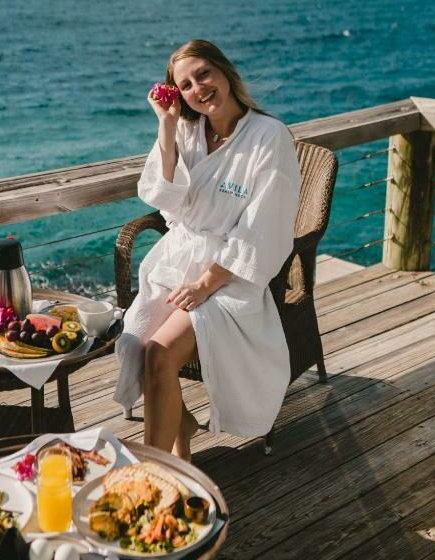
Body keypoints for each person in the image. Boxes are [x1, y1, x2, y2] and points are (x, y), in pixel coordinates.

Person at [114, 39, 300, 461]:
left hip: (229, 276)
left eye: (203, 74)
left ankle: (153, 473)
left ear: (223, 71)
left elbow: (262, 229)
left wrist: (205, 284)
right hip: (178, 262)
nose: (198, 88)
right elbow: (165, 198)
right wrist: (166, 126)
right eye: (185, 84)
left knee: (159, 353)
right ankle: (181, 429)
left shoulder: (268, 137)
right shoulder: (186, 130)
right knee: (135, 343)